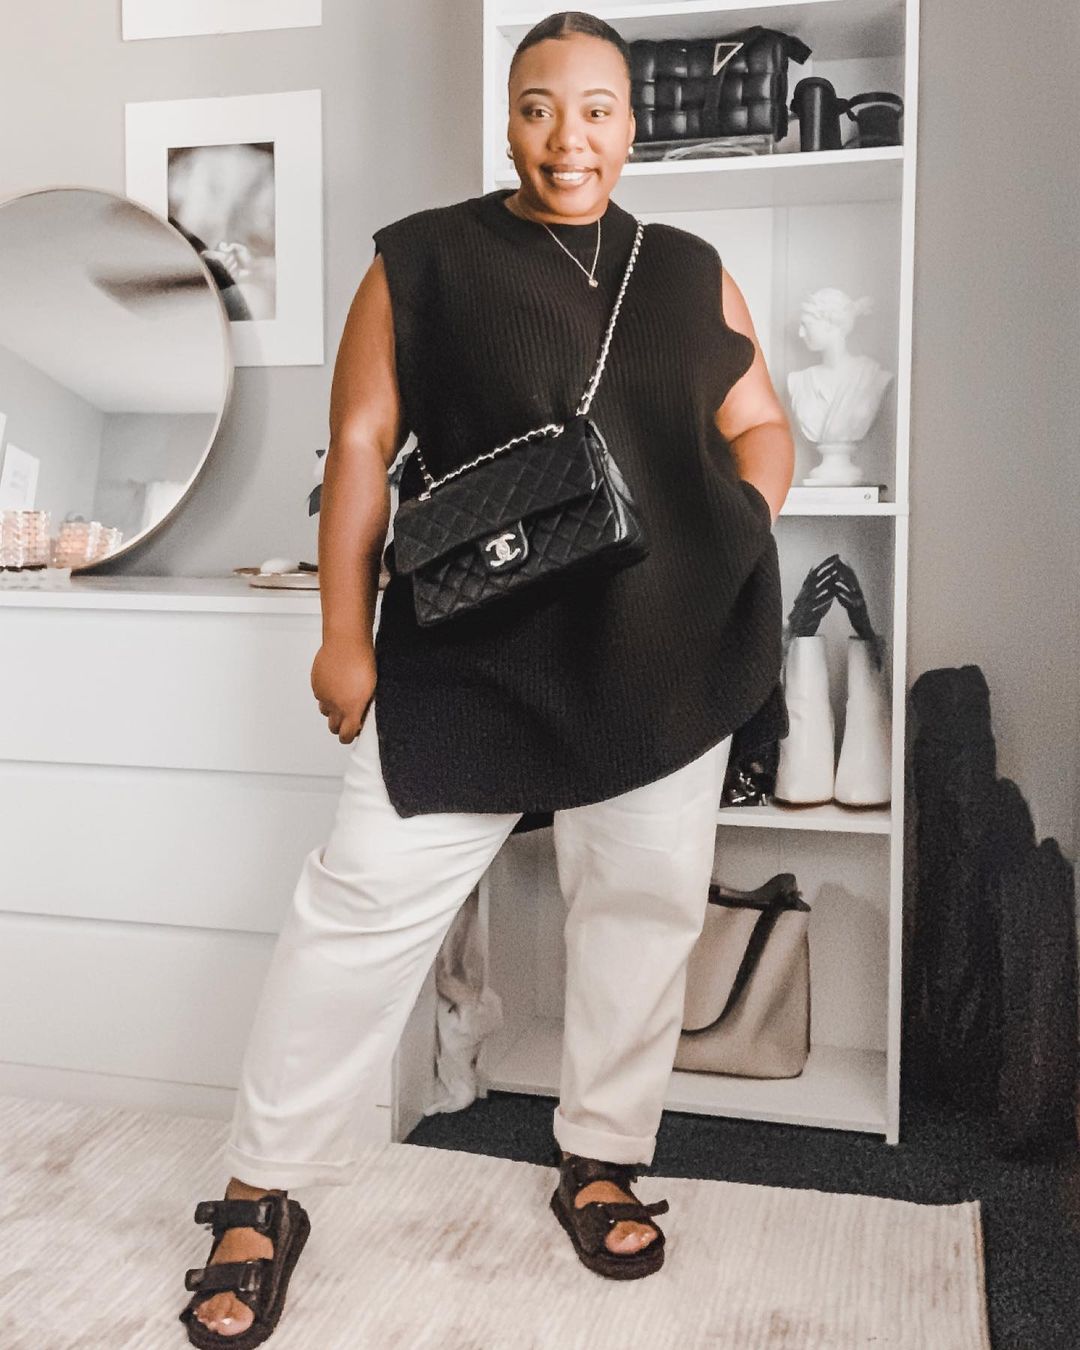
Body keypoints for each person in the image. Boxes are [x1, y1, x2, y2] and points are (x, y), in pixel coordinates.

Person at [177, 10, 794, 1344]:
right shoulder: (425, 259)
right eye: (538, 107)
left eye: (597, 110)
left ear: (634, 125)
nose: (569, 138)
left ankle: (601, 1156)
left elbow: (758, 422)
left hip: (659, 651)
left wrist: (734, 531)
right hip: (471, 650)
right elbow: (359, 445)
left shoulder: (688, 268)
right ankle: (259, 1188)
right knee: (356, 911)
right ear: (507, 120)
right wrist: (343, 633)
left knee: (641, 910)